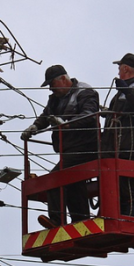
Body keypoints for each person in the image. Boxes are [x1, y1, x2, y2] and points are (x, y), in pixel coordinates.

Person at [22, 64, 100, 228]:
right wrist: (35, 127)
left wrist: (66, 124)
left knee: (55, 178)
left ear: (63, 79)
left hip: (86, 147)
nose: (51, 89)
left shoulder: (85, 92)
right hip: (69, 150)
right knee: (74, 183)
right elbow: (46, 115)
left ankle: (57, 220)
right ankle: (81, 220)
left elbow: (89, 115)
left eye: (52, 84)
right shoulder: (55, 99)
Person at [101, 53, 134, 217]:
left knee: (128, 184)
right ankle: (117, 216)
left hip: (129, 144)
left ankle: (132, 219)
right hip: (117, 144)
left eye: (119, 68)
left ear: (125, 69)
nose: (118, 72)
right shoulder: (123, 92)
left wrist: (127, 90)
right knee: (116, 183)